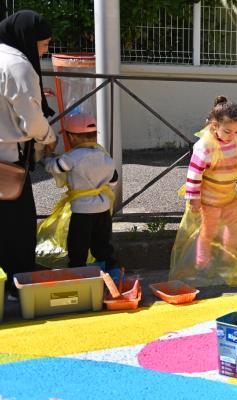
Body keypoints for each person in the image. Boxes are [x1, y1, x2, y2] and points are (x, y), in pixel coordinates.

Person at [169, 96, 237, 287]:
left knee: (233, 230)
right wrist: (193, 199)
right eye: (228, 131)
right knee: (208, 231)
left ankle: (229, 261)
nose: (232, 135)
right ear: (214, 126)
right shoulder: (205, 147)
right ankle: (202, 263)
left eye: (236, 131)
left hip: (229, 198)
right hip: (209, 201)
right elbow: (194, 175)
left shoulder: (235, 142)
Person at [0, 11, 57, 300]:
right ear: (27, 39)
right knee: (17, 226)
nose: (45, 50)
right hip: (8, 160)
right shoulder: (16, 64)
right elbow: (31, 119)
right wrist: (50, 136)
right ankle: (17, 284)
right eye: (43, 44)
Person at [37, 114, 118, 271]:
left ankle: (77, 272)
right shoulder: (105, 157)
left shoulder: (72, 157)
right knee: (102, 245)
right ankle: (109, 273)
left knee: (78, 245)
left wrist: (45, 157)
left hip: (82, 211)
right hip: (103, 210)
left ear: (72, 137)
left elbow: (54, 167)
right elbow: (113, 181)